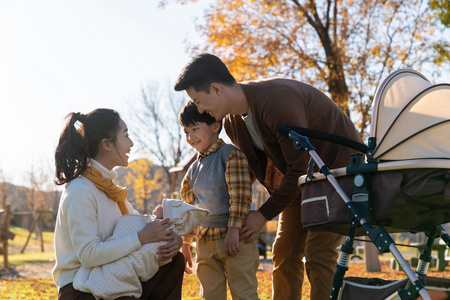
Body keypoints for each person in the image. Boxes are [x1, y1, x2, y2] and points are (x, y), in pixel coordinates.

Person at [174, 54, 363, 300]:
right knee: (284, 251)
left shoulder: (277, 101)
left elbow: (298, 165)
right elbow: (251, 170)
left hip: (338, 175)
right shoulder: (232, 122)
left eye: (198, 101)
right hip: (301, 183)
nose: (200, 110)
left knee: (318, 253)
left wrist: (262, 215)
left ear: (215, 89)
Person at [53, 108, 185, 300]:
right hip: (80, 288)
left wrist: (172, 240)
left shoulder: (112, 190)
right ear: (107, 144)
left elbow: (142, 227)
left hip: (114, 275)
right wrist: (141, 237)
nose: (131, 144)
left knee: (173, 261)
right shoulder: (80, 190)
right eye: (126, 136)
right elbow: (88, 255)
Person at [178, 101, 260, 300]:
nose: (190, 137)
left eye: (195, 129)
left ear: (215, 126)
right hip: (205, 242)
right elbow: (188, 208)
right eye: (186, 131)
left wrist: (234, 229)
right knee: (210, 295)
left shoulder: (230, 155)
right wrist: (186, 243)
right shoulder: (193, 169)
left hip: (234, 239)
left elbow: (240, 195)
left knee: (244, 293)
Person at [73, 198, 209, 300]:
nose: (158, 205)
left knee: (176, 259)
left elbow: (134, 222)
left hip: (124, 269)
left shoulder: (116, 193)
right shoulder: (83, 190)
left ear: (169, 217)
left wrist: (176, 239)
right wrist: (142, 236)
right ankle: (110, 284)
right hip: (84, 278)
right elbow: (135, 227)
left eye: (163, 206)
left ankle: (116, 284)